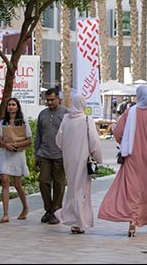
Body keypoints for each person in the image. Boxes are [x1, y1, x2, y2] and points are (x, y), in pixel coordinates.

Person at [98, 85, 147, 237]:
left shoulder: (129, 113)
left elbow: (118, 132)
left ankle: (132, 222)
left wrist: (125, 142)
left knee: (132, 191)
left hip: (132, 159)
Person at [53, 93, 103, 234]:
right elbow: (94, 142)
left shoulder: (65, 119)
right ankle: (79, 222)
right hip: (82, 160)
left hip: (68, 159)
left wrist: (68, 149)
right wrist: (98, 158)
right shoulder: (87, 120)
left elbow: (59, 140)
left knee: (72, 189)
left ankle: (73, 220)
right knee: (81, 190)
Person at [35, 88, 68, 225]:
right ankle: (48, 209)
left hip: (60, 155)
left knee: (59, 184)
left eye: (52, 100)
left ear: (58, 99)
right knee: (43, 182)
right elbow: (38, 135)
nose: (49, 102)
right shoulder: (42, 114)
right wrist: (36, 153)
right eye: (47, 100)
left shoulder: (66, 114)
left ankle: (56, 211)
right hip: (44, 154)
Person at [0, 97, 32, 224]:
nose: (11, 107)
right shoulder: (3, 122)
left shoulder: (23, 122)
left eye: (13, 104)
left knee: (17, 184)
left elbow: (29, 139)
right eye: (9, 105)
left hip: (18, 154)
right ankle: (5, 214)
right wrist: (6, 145)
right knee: (5, 181)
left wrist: (17, 145)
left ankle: (25, 207)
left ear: (17, 107)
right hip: (6, 154)